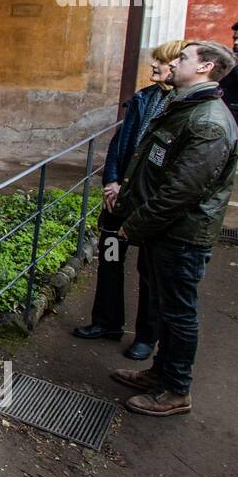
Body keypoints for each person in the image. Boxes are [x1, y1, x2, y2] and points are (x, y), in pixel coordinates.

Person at [108, 41, 238, 417]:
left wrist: (134, 226)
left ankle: (176, 390)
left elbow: (181, 191)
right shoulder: (187, 107)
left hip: (181, 235)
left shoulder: (210, 122)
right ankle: (160, 374)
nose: (175, 62)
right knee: (167, 309)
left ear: (206, 67)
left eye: (184, 57)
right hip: (165, 231)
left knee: (180, 313)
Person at [74, 40, 186, 359]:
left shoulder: (182, 109)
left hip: (149, 205)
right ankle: (106, 322)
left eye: (160, 62)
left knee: (149, 271)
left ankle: (146, 337)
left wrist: (136, 190)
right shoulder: (143, 99)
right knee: (110, 258)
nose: (153, 67)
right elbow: (119, 143)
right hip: (118, 200)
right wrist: (111, 180)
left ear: (176, 66)